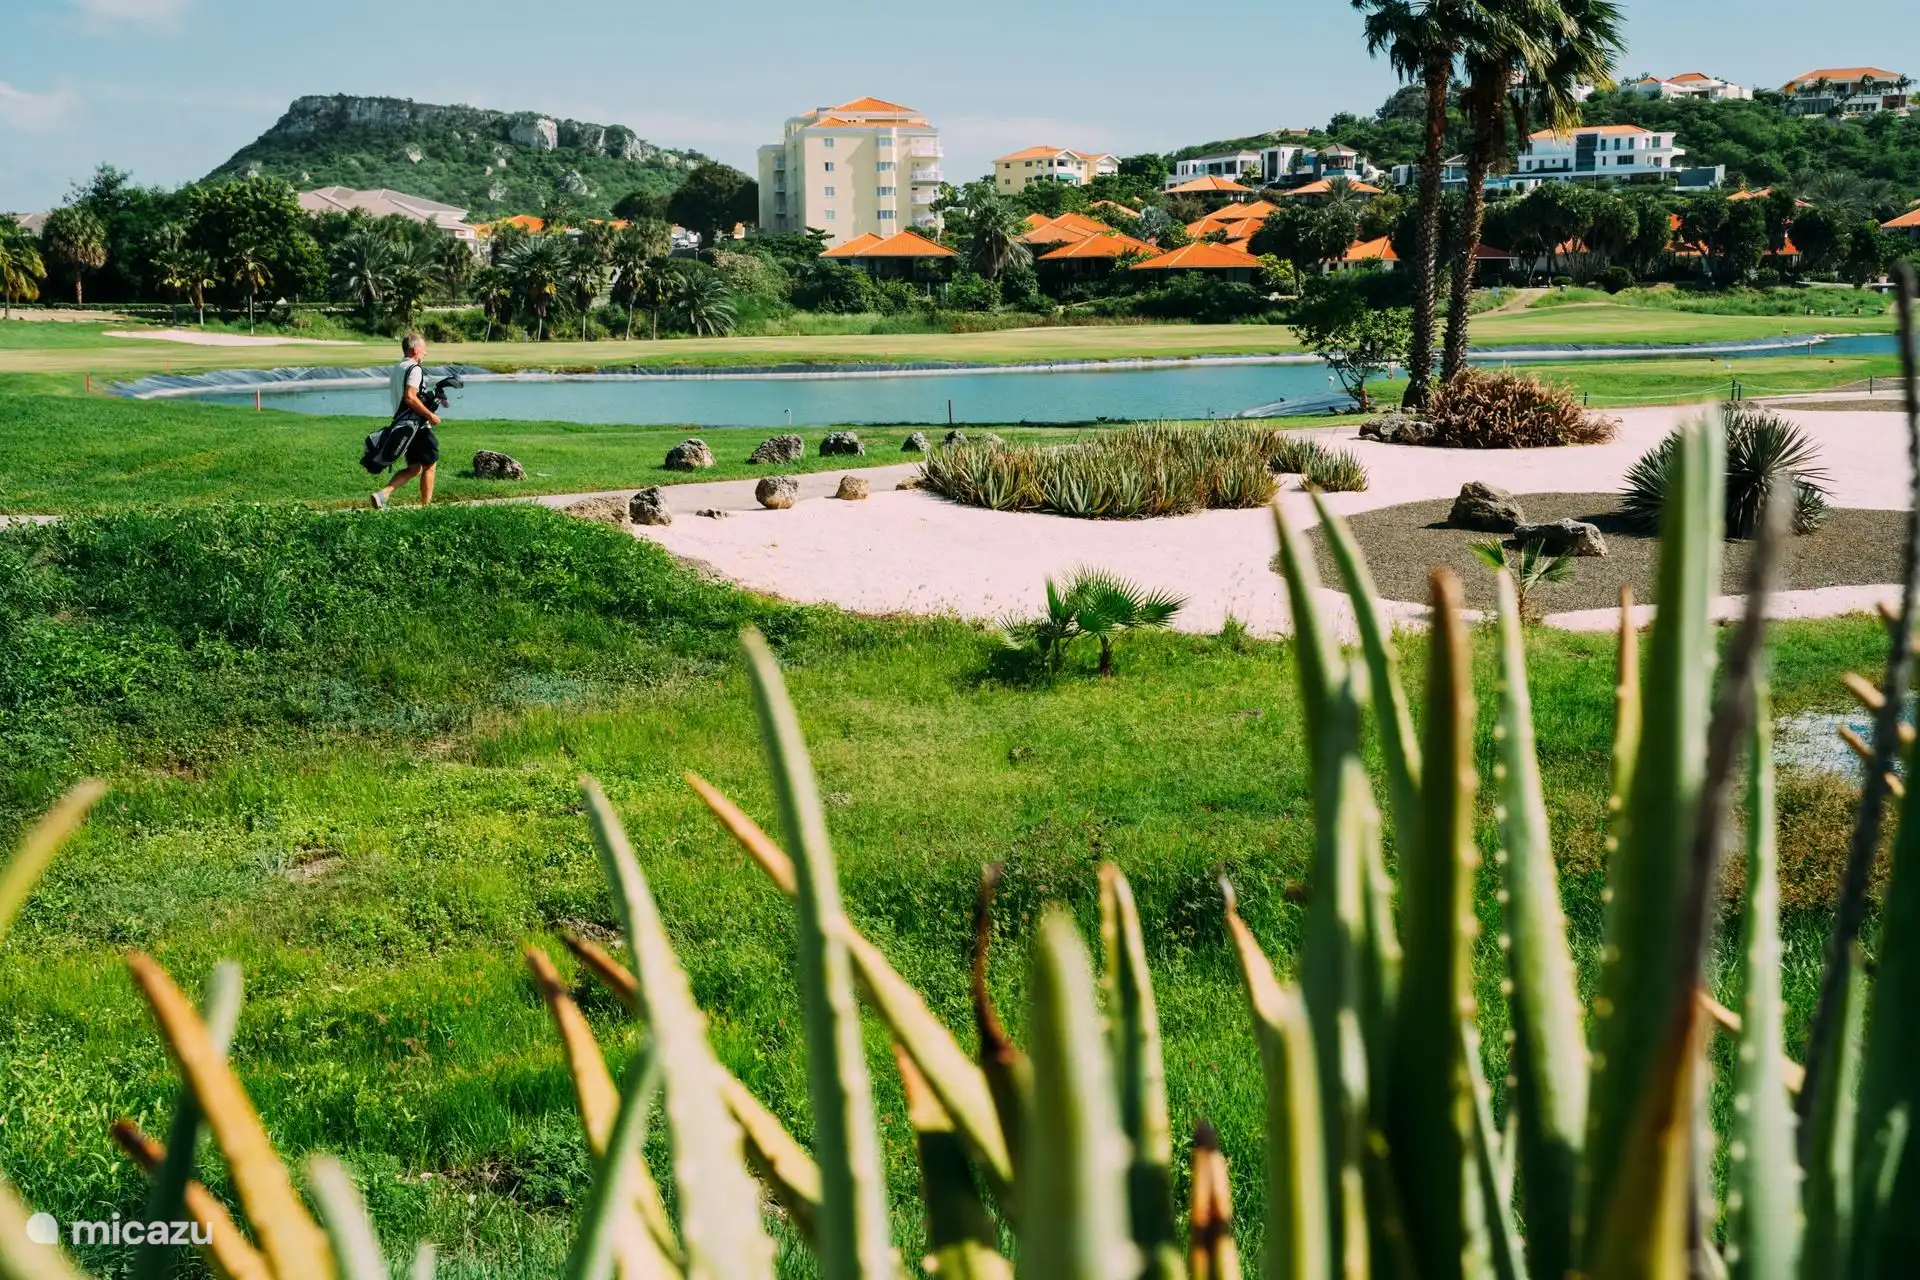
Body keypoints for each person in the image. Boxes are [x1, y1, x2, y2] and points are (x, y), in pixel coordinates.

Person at [370, 333, 441, 508]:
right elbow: (409, 397)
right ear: (415, 349)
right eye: (424, 349)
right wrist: (430, 415)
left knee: (415, 467)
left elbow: (408, 397)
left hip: (404, 425)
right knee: (430, 465)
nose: (426, 353)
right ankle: (427, 508)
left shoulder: (398, 367)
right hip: (417, 426)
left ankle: (383, 494)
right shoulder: (414, 369)